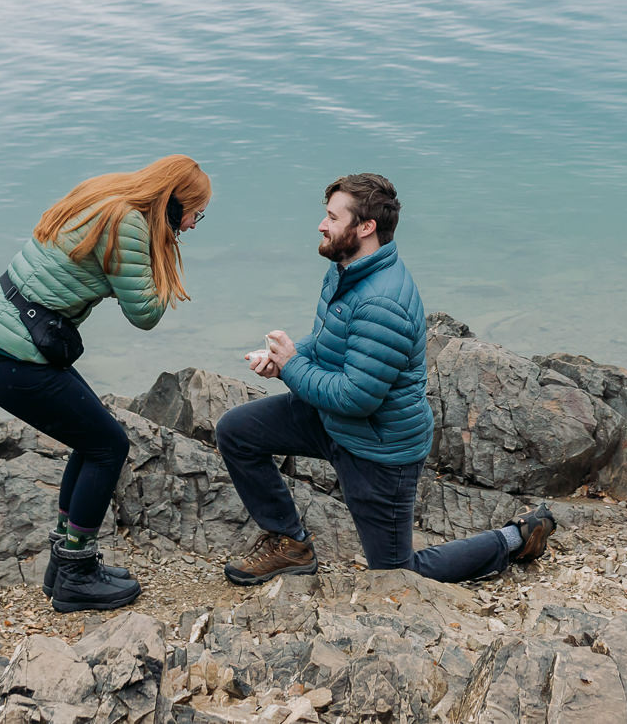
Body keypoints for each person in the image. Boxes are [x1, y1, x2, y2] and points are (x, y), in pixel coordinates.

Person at [214, 172, 554, 585]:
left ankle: (513, 538)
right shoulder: (347, 268)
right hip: (329, 420)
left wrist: (292, 368)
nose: (322, 225)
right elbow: (329, 343)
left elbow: (358, 397)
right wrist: (287, 357)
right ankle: (291, 545)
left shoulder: (382, 301)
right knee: (237, 431)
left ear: (366, 227)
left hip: (378, 449)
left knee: (396, 574)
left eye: (332, 218)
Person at [0, 155, 210, 612]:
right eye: (196, 212)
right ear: (174, 204)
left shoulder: (104, 193)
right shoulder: (130, 224)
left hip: (1, 336)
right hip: (12, 353)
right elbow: (146, 315)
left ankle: (65, 564)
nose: (194, 224)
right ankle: (76, 573)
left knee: (92, 437)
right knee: (108, 445)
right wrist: (161, 258)